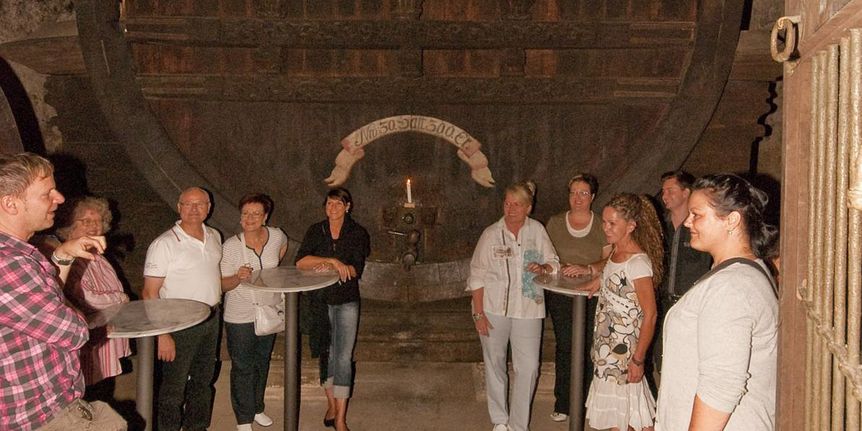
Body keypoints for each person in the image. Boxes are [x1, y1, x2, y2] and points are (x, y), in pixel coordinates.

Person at [0, 152, 126, 430]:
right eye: (47, 194)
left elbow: (42, 305)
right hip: (38, 418)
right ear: (11, 204)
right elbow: (74, 332)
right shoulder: (9, 265)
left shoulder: (19, 254)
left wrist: (63, 257)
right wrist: (79, 307)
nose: (58, 198)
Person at [655, 174, 778, 430]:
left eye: (697, 215)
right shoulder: (739, 272)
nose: (688, 222)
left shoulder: (731, 287)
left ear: (731, 220)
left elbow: (721, 386)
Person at [468, 181, 560, 431]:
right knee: (495, 364)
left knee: (528, 368)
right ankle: (500, 420)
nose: (511, 209)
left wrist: (544, 268)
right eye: (507, 203)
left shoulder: (537, 231)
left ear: (528, 208)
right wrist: (478, 313)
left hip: (529, 309)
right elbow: (477, 275)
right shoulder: (490, 234)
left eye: (517, 204)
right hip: (494, 309)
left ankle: (519, 425)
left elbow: (554, 262)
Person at [579, 193, 664, 431]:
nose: (605, 228)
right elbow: (613, 279)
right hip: (606, 348)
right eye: (604, 222)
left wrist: (638, 359)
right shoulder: (615, 253)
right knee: (624, 417)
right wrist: (598, 283)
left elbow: (651, 314)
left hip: (624, 352)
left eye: (612, 223)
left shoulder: (637, 263)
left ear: (631, 226)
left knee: (629, 416)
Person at [143, 187, 222, 431]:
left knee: (203, 381)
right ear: (179, 207)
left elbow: (212, 277)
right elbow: (149, 292)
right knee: (173, 388)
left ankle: (196, 427)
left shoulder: (215, 236)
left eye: (200, 204)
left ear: (209, 208)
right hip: (178, 323)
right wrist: (162, 335)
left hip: (211, 318)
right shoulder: (164, 244)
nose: (194, 209)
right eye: (188, 204)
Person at [296, 188, 370, 431]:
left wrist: (328, 263)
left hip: (346, 299)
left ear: (347, 206)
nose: (333, 208)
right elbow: (301, 261)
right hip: (321, 300)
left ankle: (340, 418)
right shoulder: (316, 230)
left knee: (344, 357)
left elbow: (355, 269)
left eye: (338, 204)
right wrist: (333, 262)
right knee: (326, 352)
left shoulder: (357, 233)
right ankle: (332, 405)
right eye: (329, 204)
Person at [544, 173, 609, 422]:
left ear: (592, 197)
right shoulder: (556, 222)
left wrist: (588, 267)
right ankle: (563, 401)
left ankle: (587, 403)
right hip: (561, 295)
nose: (578, 198)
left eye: (583, 193)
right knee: (566, 346)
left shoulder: (602, 224)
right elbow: (546, 255)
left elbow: (609, 259)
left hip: (592, 293)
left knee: (589, 347)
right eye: (573, 193)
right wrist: (557, 266)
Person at [220, 193, 288, 431]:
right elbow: (221, 284)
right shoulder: (230, 246)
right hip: (240, 315)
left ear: (265, 216)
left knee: (262, 362)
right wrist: (237, 278)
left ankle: (257, 407)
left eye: (255, 214)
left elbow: (281, 252)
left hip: (267, 311)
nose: (249, 218)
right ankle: (243, 418)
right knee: (242, 366)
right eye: (245, 213)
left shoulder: (277, 236)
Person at [56, 196, 131, 402]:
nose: (92, 226)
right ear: (70, 225)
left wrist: (118, 299)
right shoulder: (69, 257)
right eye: (85, 221)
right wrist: (121, 297)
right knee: (87, 399)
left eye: (97, 221)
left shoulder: (99, 257)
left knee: (104, 394)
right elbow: (88, 298)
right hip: (87, 342)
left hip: (105, 339)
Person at [654, 171, 711, 373]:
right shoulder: (660, 227)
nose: (665, 196)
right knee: (662, 360)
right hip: (664, 304)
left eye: (671, 190)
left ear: (686, 192)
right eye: (663, 191)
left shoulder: (700, 227)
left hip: (691, 306)